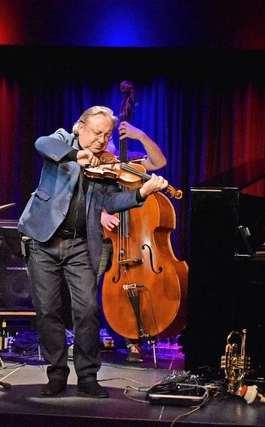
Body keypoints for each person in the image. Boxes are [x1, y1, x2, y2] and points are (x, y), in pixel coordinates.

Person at [18, 106, 169, 398]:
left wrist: (141, 193)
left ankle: (87, 376)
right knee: (48, 310)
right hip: (43, 239)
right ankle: (57, 374)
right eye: (97, 133)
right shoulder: (62, 140)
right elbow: (41, 143)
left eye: (107, 134)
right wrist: (77, 155)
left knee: (87, 310)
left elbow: (112, 202)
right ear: (81, 127)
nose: (102, 140)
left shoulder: (107, 164)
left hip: (79, 244)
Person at [98, 121, 167, 363]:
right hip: (106, 236)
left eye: (109, 141)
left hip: (134, 235)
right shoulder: (91, 164)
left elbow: (159, 163)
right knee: (90, 284)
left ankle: (133, 340)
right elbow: (81, 195)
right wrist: (101, 215)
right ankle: (86, 338)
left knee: (136, 280)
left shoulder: (131, 162)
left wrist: (142, 135)